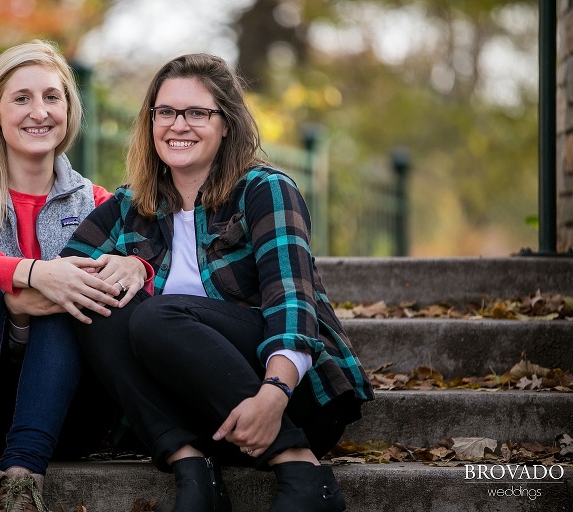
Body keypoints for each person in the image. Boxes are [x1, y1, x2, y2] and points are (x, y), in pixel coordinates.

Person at [61, 53, 374, 512]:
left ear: (226, 123)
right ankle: (194, 469)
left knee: (157, 315)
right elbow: (58, 281)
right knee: (91, 299)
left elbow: (292, 303)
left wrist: (274, 394)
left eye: (197, 113)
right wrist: (121, 265)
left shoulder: (264, 190)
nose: (177, 125)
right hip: (199, 419)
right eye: (165, 112)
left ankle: (302, 470)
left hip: (289, 400)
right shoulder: (129, 206)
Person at [0, 40, 147, 512]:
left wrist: (137, 265)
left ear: (68, 109)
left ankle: (23, 478)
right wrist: (30, 276)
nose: (39, 112)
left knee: (73, 292)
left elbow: (153, 262)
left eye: (51, 97)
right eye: (22, 98)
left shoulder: (96, 202)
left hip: (67, 416)